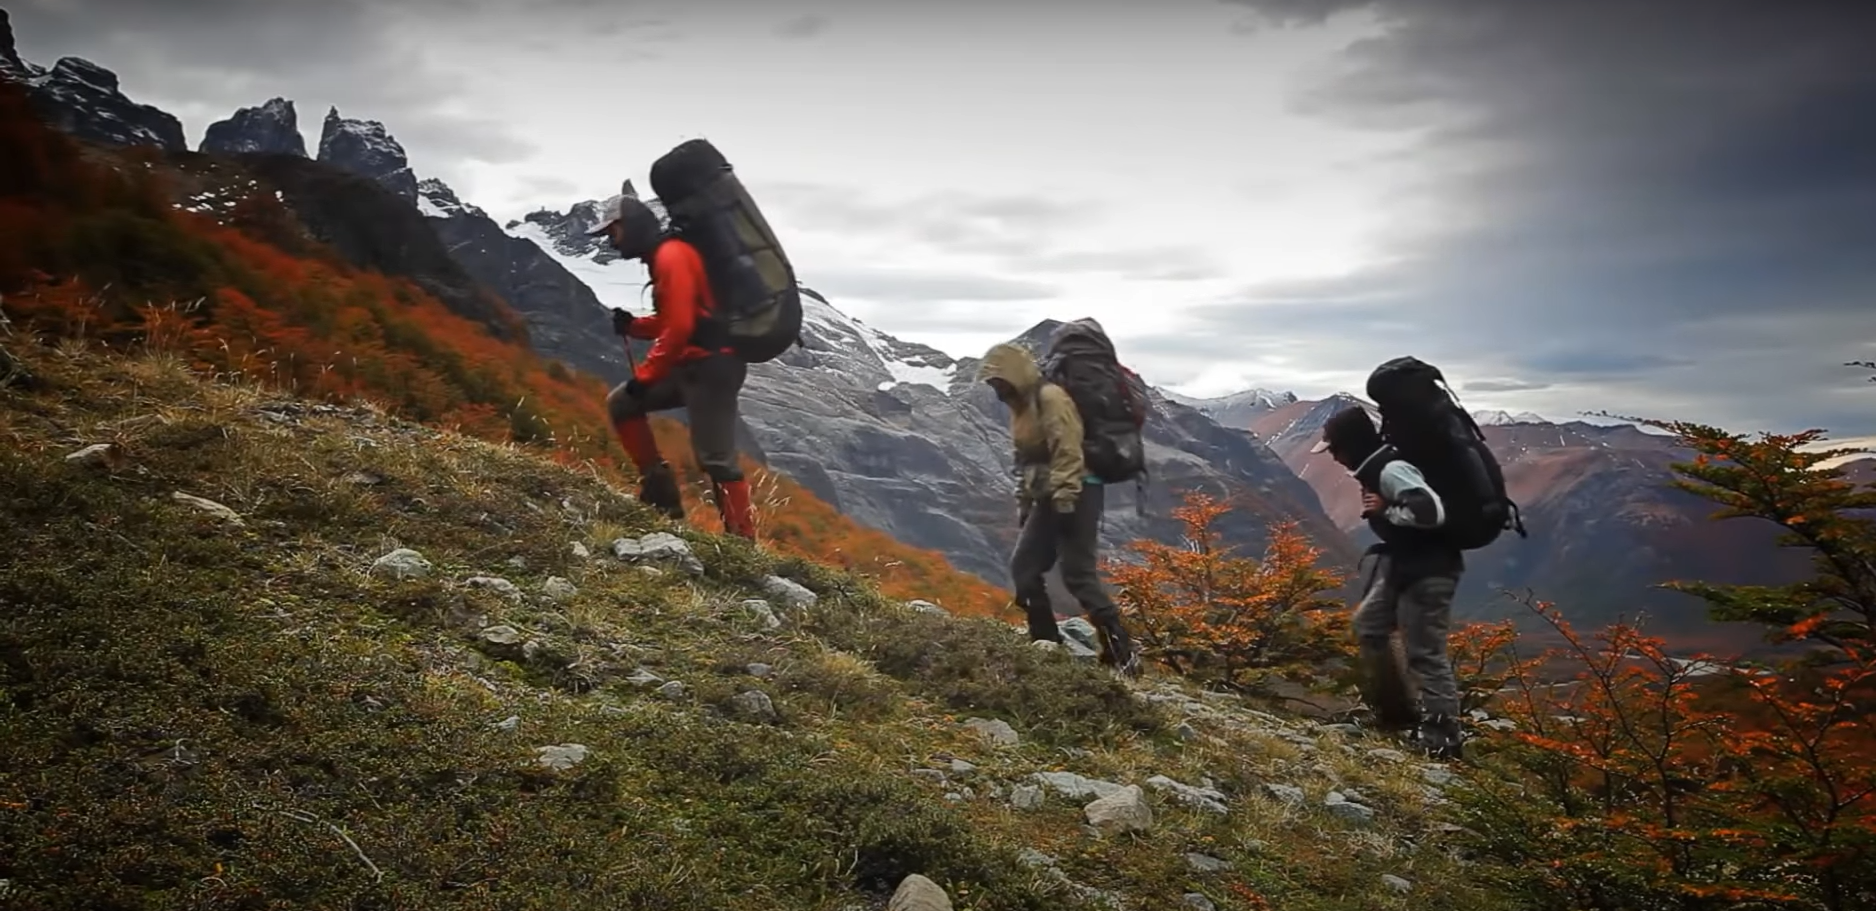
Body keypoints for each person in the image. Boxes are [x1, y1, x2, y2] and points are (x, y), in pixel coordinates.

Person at [590, 192, 756, 541]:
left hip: (713, 369)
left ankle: (743, 543)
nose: (611, 241)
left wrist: (646, 375)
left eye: (613, 232)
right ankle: (661, 497)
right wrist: (635, 326)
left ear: (631, 227)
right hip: (694, 365)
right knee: (623, 403)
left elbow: (679, 327)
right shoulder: (663, 257)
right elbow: (675, 319)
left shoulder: (672, 257)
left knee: (715, 458)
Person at [1310, 404, 1465, 758]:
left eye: (1334, 448)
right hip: (1402, 562)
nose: (1333, 457)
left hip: (1430, 569)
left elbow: (1431, 511)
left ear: (1350, 444)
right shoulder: (1374, 467)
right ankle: (1396, 716)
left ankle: (1443, 741)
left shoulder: (1392, 469)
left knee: (1425, 653)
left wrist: (1387, 510)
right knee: (1369, 626)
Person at [978, 341, 1139, 677]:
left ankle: (1118, 654)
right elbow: (1025, 460)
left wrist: (1065, 499)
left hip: (1077, 491)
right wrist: (1025, 502)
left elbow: (1068, 449)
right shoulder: (1021, 408)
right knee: (1031, 571)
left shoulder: (1050, 398)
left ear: (1014, 375)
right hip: (1050, 496)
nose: (997, 391)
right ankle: (1049, 643)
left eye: (999, 382)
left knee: (1072, 574)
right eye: (993, 384)